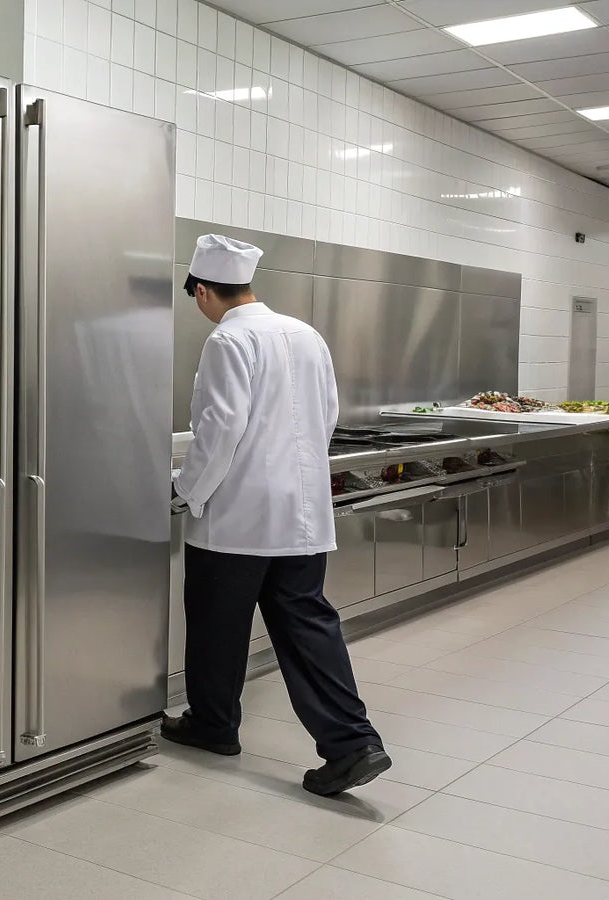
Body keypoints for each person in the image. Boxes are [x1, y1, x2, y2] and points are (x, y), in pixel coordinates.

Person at [166, 234, 392, 797]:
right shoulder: (305, 334)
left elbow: (219, 431)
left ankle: (214, 725)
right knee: (308, 626)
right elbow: (328, 415)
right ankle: (352, 743)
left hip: (238, 520)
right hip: (303, 515)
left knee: (219, 628)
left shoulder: (227, 340)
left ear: (201, 291)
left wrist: (184, 490)